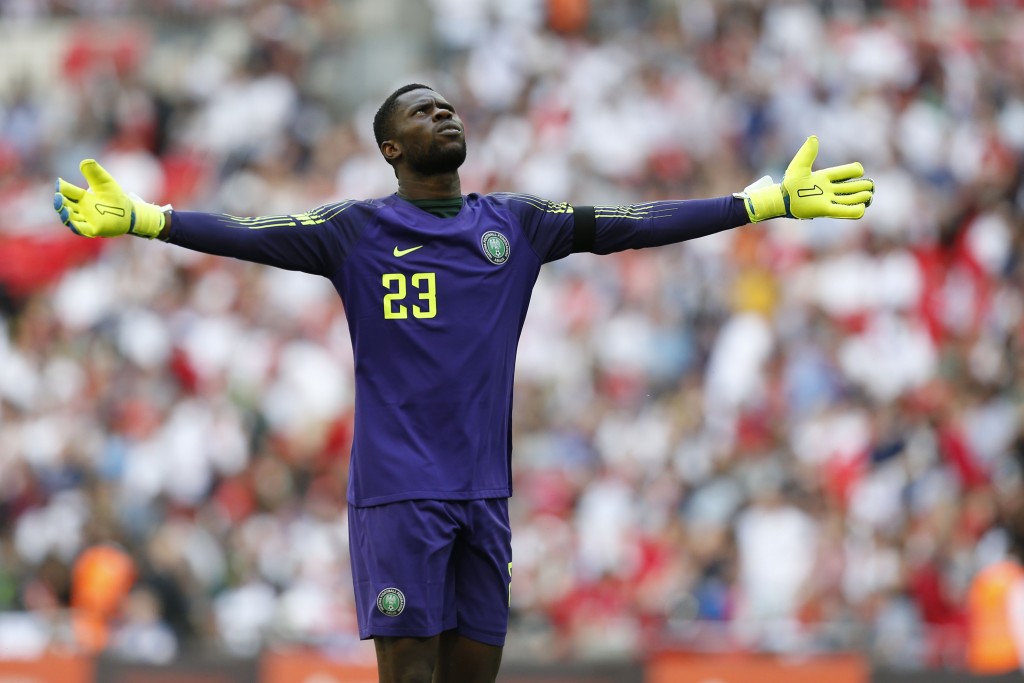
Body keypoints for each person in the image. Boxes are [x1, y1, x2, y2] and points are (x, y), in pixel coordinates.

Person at [52, 83, 874, 683]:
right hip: (400, 493)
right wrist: (148, 217)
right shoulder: (356, 232)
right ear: (391, 148)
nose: (441, 113)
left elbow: (631, 224)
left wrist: (755, 202)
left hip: (486, 493)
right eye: (420, 110)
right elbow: (251, 231)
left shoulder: (514, 224)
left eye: (446, 106)